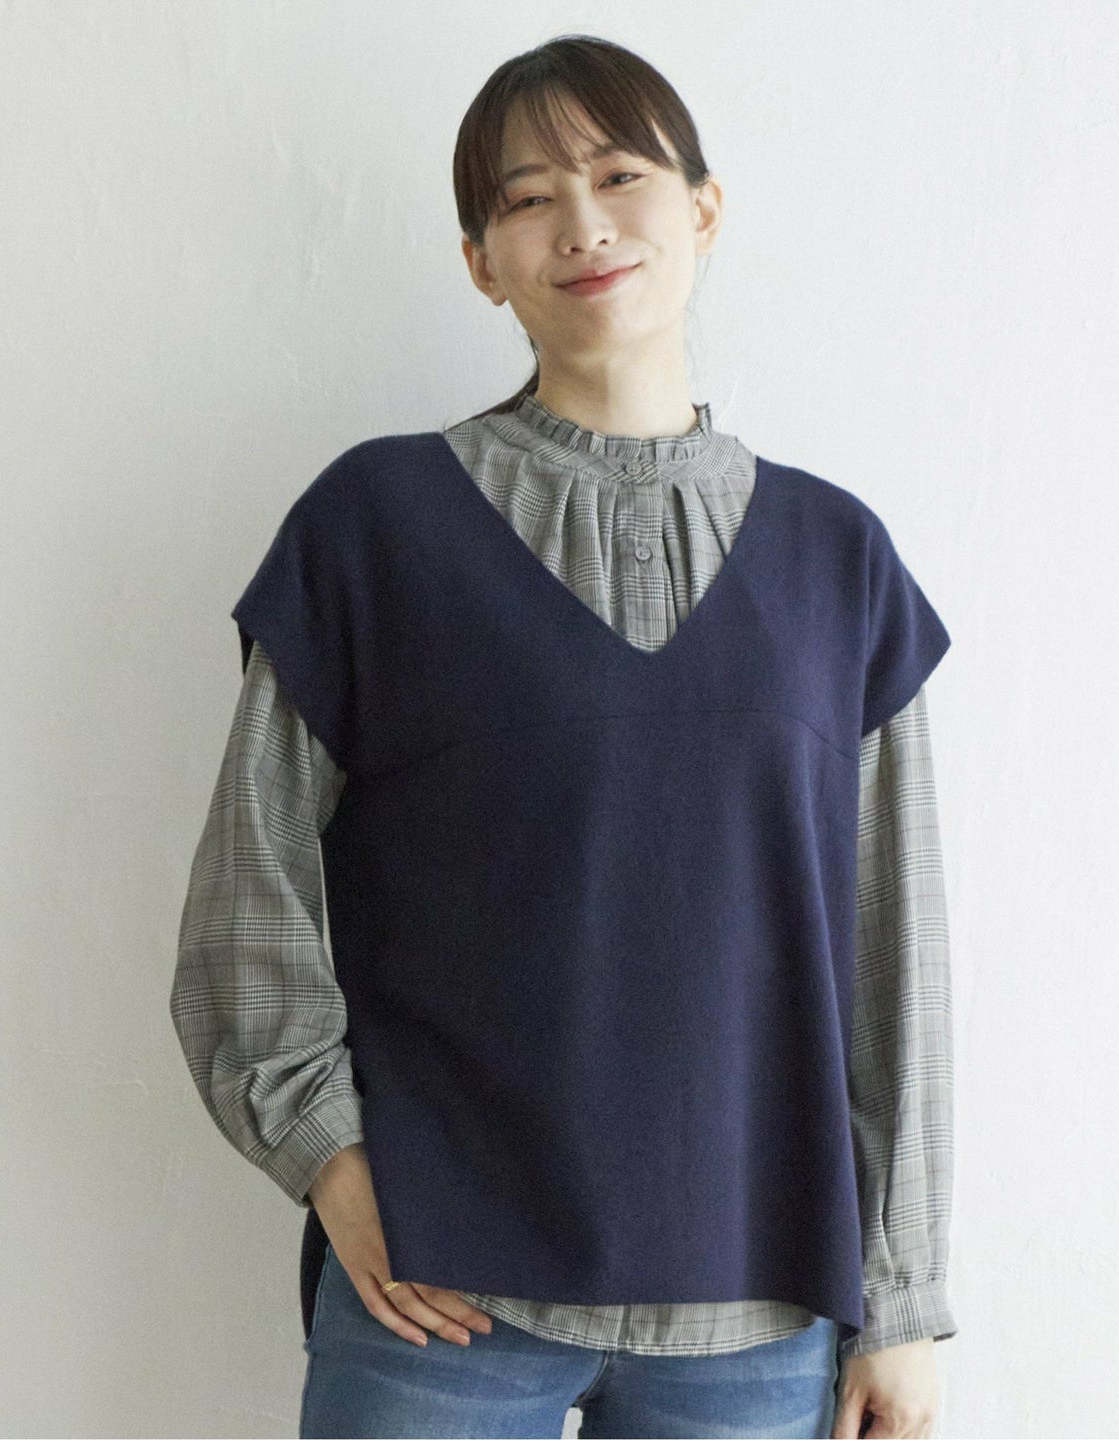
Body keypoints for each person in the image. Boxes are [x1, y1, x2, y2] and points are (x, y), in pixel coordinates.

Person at [171, 33, 957, 1440]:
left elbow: (894, 955)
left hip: (756, 1317)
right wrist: (333, 1160)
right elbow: (250, 888)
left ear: (703, 209)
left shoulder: (837, 561)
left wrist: (902, 1301)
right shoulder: (375, 529)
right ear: (483, 261)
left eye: (620, 175)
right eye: (528, 197)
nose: (583, 223)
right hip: (438, 1302)